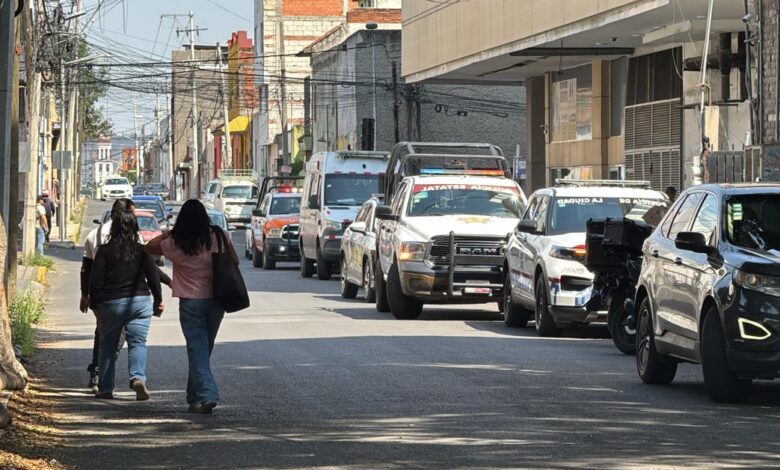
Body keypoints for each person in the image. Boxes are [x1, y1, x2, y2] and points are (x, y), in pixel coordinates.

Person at [145, 199, 238, 414]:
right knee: (203, 349)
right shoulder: (219, 235)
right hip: (217, 299)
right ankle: (194, 397)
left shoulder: (177, 241)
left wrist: (167, 234)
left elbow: (148, 248)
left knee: (198, 349)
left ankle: (207, 395)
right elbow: (234, 260)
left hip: (190, 301)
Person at [80, 198, 171, 393]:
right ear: (134, 227)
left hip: (111, 304)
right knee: (138, 343)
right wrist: (158, 300)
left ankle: (105, 388)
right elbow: (153, 276)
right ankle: (137, 378)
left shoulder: (103, 252)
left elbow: (95, 282)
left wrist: (96, 306)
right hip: (140, 302)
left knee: (108, 346)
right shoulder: (142, 250)